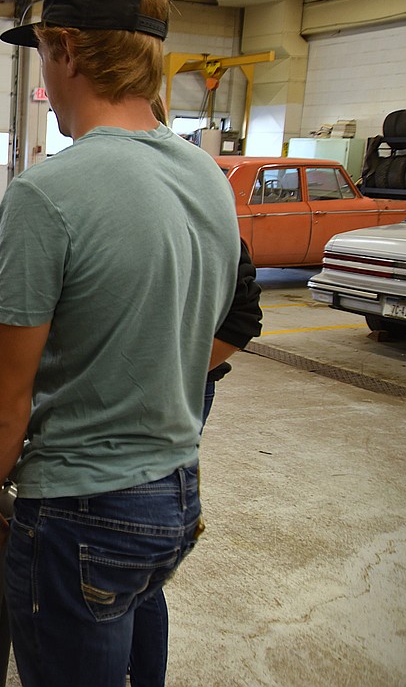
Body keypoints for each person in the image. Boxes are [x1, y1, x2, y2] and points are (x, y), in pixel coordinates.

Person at [0, 0, 240, 685]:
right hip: (175, 488)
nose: (43, 80)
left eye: (43, 53)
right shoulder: (208, 175)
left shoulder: (49, 192)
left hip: (84, 508)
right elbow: (211, 328)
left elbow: (2, 398)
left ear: (68, 51)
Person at [128, 237, 262, 686]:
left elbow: (243, 317)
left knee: (135, 537)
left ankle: (144, 672)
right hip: (115, 386)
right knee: (126, 538)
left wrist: (174, 370)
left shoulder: (210, 220)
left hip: (175, 388)